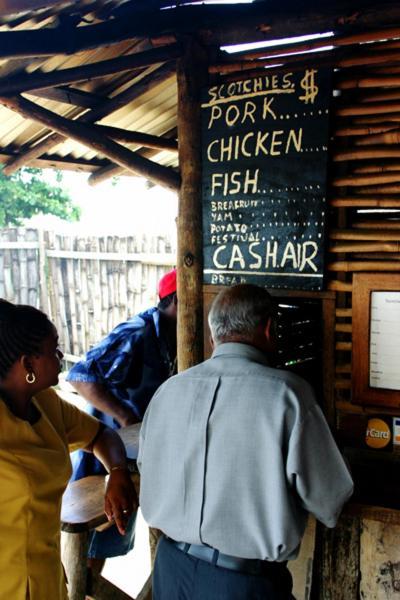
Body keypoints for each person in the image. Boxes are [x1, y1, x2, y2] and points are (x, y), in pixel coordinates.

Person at [138, 283, 354, 600]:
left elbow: (147, 465)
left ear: (213, 338)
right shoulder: (288, 395)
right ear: (269, 330)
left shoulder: (169, 390)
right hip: (242, 585)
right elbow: (329, 499)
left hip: (171, 570)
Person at [0, 299, 137, 600]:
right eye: (54, 350)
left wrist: (117, 472)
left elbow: (101, 434)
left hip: (47, 579)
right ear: (28, 364)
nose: (61, 356)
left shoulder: (46, 403)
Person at [66, 267, 177, 568]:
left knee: (116, 527)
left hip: (132, 453)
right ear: (178, 302)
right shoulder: (137, 332)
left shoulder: (174, 336)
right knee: (92, 543)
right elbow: (81, 375)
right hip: (105, 451)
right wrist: (125, 414)